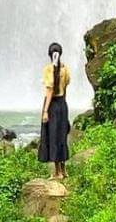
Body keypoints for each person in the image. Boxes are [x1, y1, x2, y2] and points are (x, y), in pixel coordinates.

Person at [37, 40, 70, 178]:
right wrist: (64, 105)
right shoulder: (65, 69)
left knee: (53, 137)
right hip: (62, 104)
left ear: (50, 55)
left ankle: (57, 173)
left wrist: (45, 110)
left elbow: (49, 90)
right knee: (62, 136)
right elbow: (66, 88)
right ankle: (64, 170)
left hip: (52, 105)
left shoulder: (48, 69)